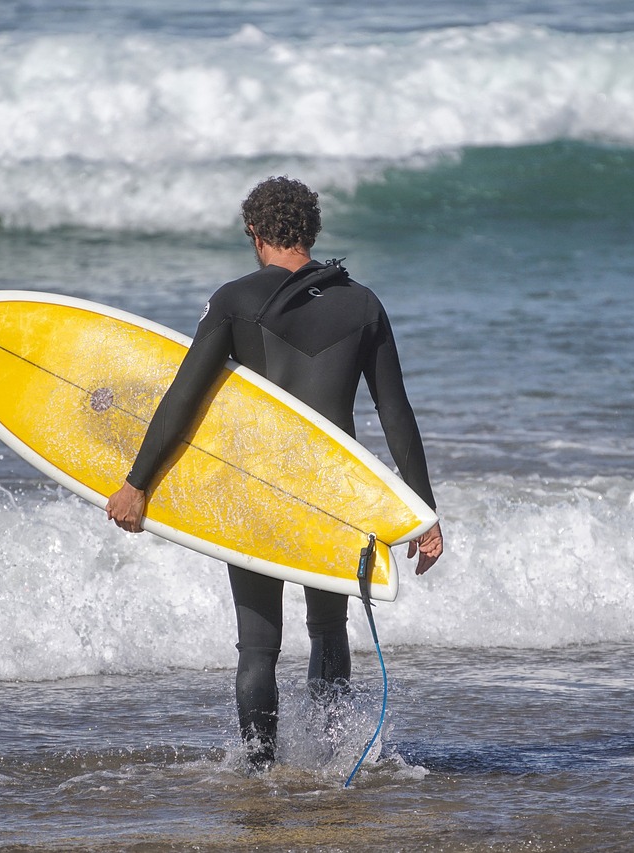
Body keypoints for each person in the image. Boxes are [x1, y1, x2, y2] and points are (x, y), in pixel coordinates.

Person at [105, 176, 443, 770]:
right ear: (311, 232)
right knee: (329, 633)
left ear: (254, 234)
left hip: (256, 491)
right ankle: (331, 763)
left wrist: (138, 483)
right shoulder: (363, 304)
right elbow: (396, 412)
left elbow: (183, 398)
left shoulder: (234, 300)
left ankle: (258, 774)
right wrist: (423, 515)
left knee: (258, 648)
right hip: (332, 496)